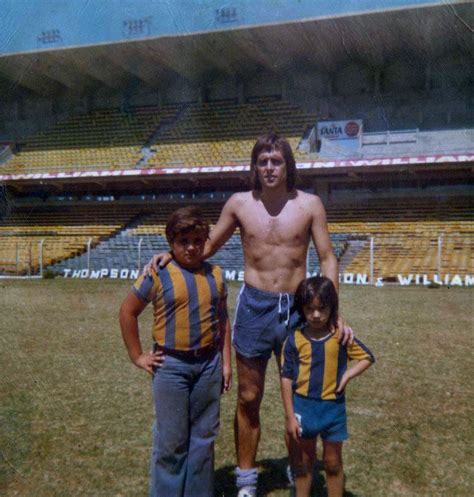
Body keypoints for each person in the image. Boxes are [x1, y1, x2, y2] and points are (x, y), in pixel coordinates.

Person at [145, 132, 352, 497]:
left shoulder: (310, 205)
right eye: (263, 161)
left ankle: (297, 468)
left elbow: (326, 257)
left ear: (289, 165)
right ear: (254, 167)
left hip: (298, 310)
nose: (270, 168)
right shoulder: (239, 204)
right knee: (248, 397)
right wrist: (170, 254)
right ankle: (245, 480)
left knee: (301, 398)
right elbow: (205, 245)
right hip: (255, 307)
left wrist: (333, 310)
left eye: (276, 161)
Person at [120, 206, 232, 497]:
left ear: (206, 240)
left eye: (197, 240)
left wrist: (226, 363)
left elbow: (223, 319)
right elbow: (127, 312)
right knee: (171, 442)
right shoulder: (158, 272)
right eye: (183, 242)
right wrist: (137, 355)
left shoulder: (216, 275)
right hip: (171, 366)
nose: (192, 248)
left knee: (204, 439)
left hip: (208, 365)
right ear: (171, 242)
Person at [281, 276, 374, 497]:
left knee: (332, 462)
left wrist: (347, 375)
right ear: (302, 309)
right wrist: (290, 416)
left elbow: (367, 357)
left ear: (332, 307)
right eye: (309, 308)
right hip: (304, 408)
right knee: (304, 463)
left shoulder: (340, 337)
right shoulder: (295, 339)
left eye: (322, 308)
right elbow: (286, 377)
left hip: (333, 410)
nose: (315, 314)